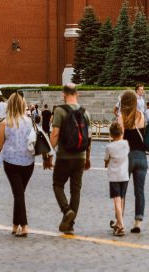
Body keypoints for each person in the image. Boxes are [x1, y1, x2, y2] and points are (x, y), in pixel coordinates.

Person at [0, 92, 34, 237]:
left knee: (18, 193)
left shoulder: (5, 123)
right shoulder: (29, 121)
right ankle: (15, 225)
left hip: (11, 162)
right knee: (19, 193)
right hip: (28, 162)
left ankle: (24, 226)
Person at [50, 84, 91, 235]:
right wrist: (88, 157)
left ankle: (66, 211)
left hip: (64, 156)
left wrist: (48, 153)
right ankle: (70, 225)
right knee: (76, 190)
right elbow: (89, 138)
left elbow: (55, 135)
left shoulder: (60, 111)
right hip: (80, 156)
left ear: (63, 94)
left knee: (57, 185)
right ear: (77, 94)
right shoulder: (85, 113)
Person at [117, 89, 147, 234]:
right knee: (139, 191)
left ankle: (120, 222)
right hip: (141, 157)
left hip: (127, 156)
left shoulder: (122, 116)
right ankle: (138, 222)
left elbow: (120, 139)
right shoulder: (141, 116)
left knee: (122, 190)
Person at [104, 120, 129, 237]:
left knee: (117, 201)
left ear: (111, 134)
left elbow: (106, 160)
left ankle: (121, 226)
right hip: (124, 176)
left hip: (114, 176)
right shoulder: (126, 144)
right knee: (122, 199)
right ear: (121, 133)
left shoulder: (109, 146)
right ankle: (118, 223)